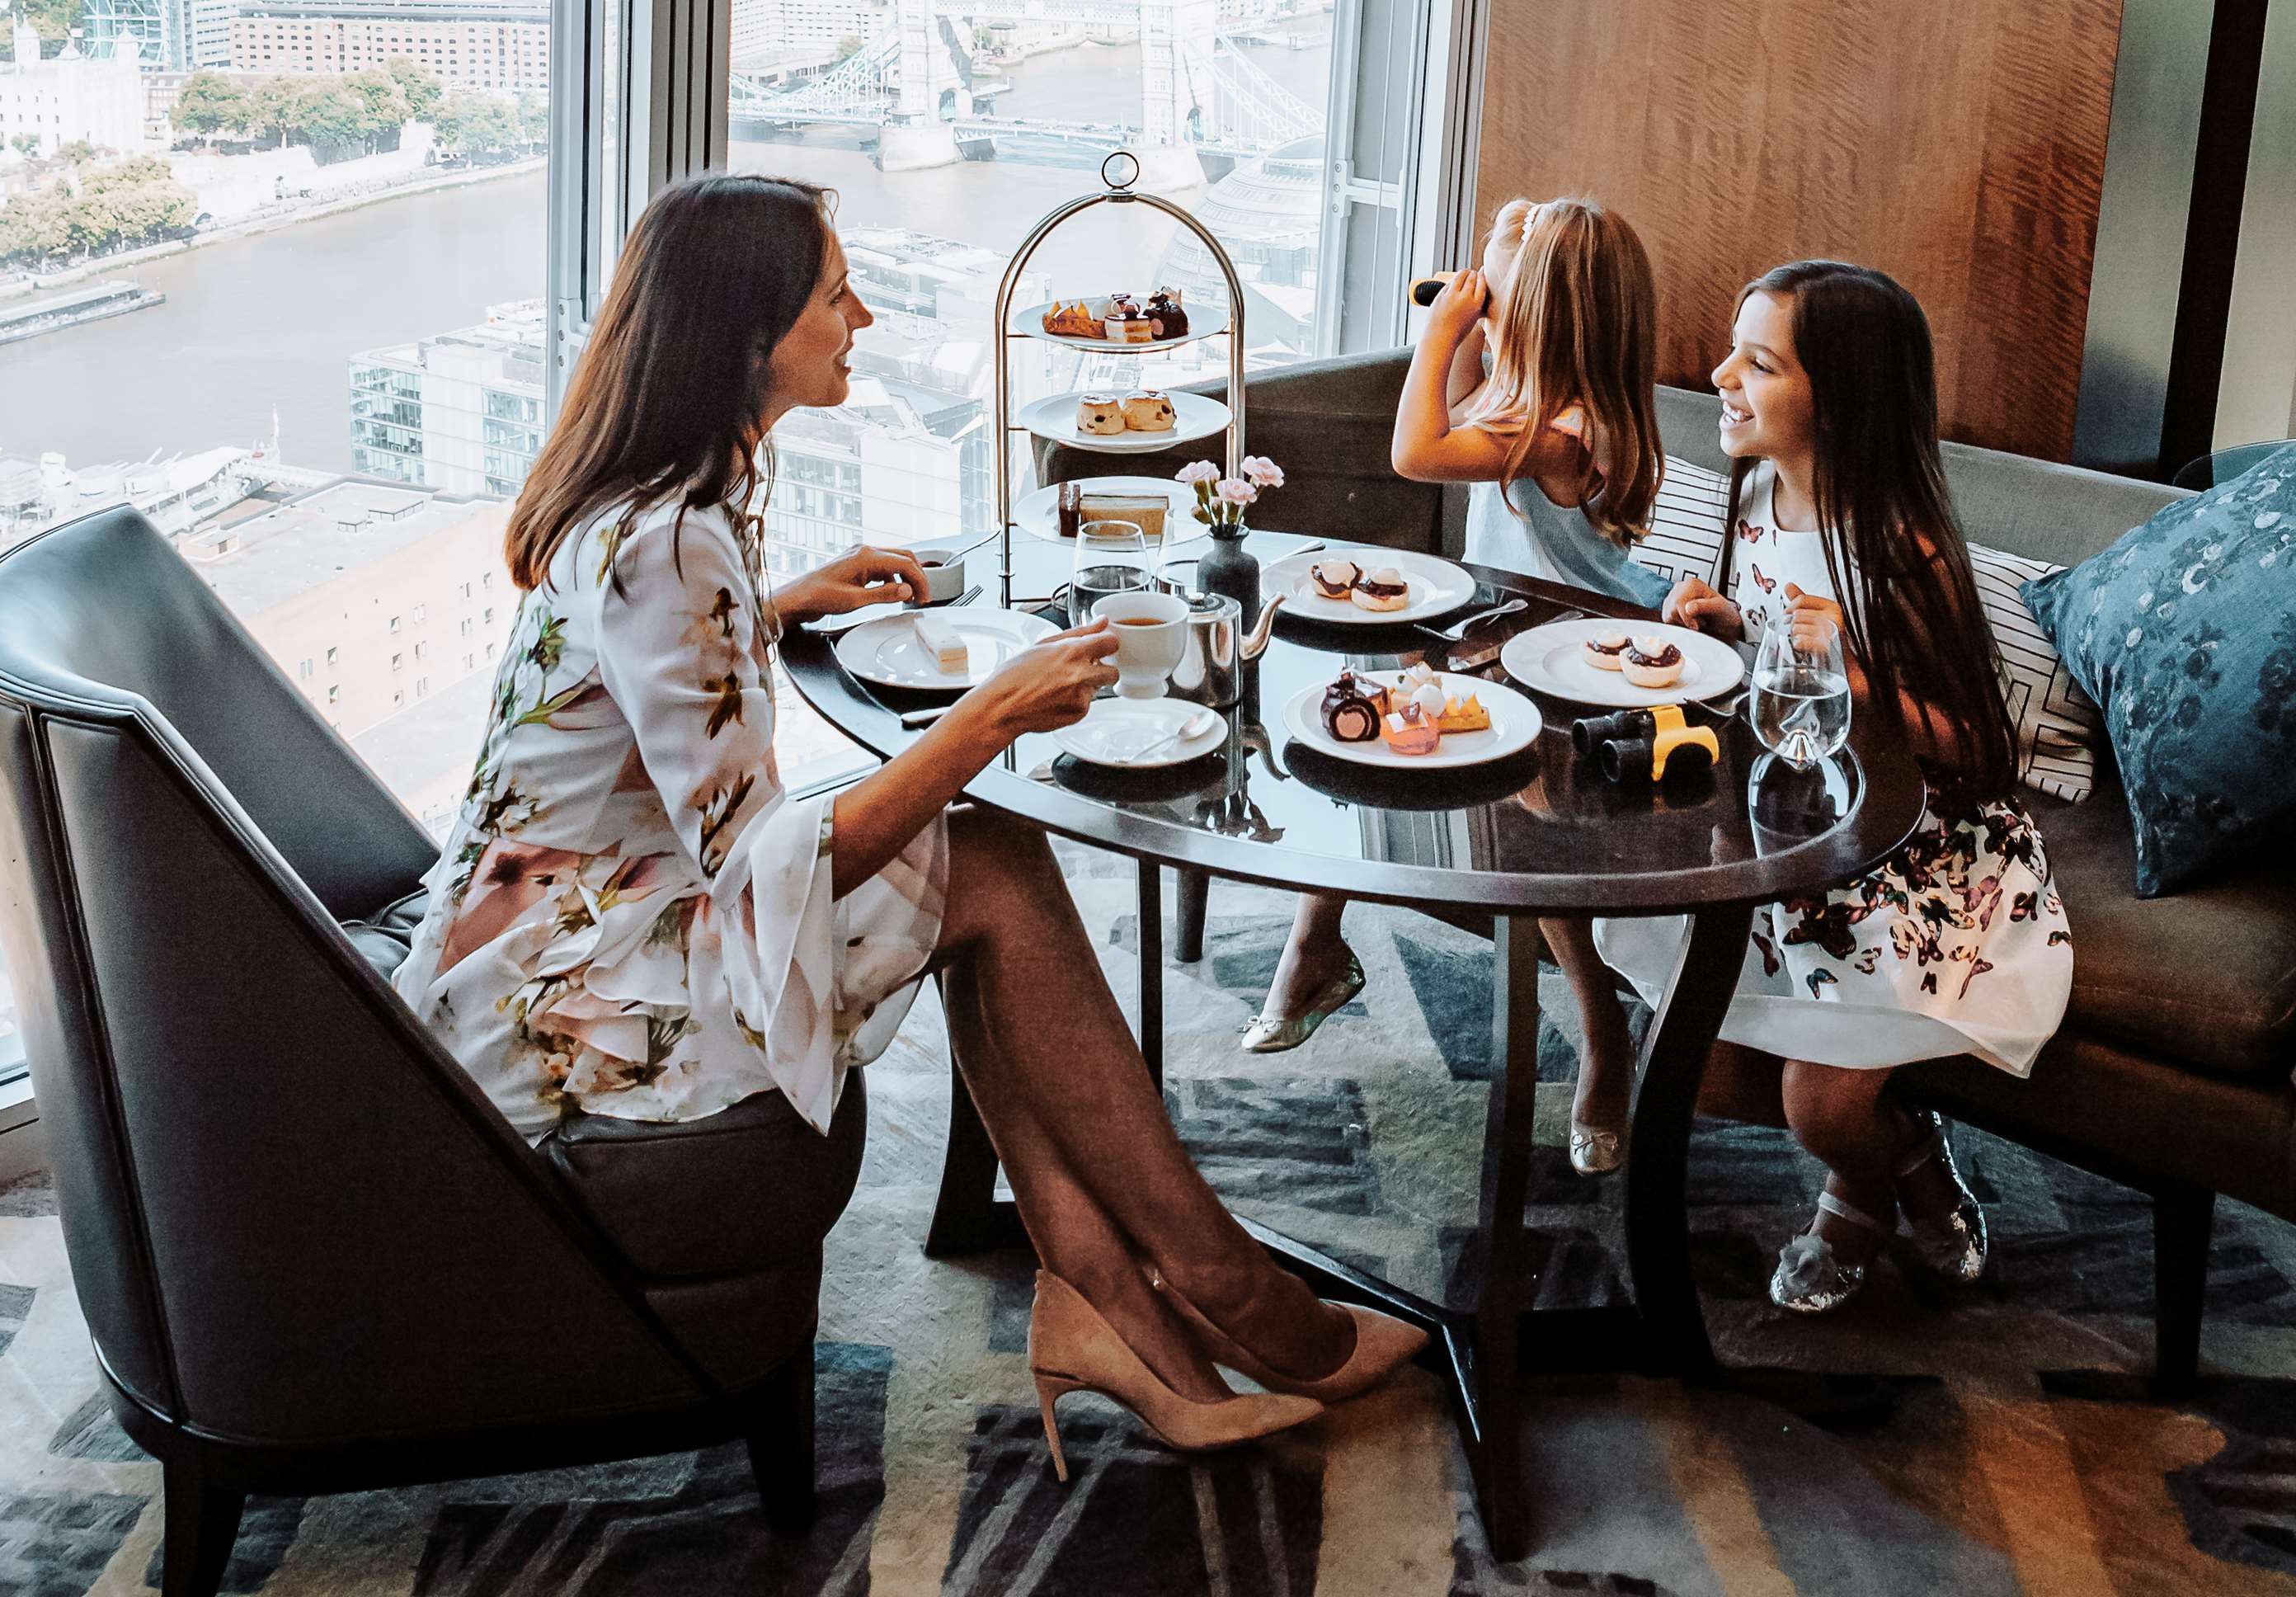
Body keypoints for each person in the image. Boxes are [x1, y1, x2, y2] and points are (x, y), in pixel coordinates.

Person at [387, 173, 1423, 1479]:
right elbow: (758, 872)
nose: (862, 316)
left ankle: (1117, 1296)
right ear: (746, 339)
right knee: (982, 853)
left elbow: (634, 701)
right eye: (835, 296)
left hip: (557, 918)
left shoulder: (651, 505)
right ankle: (1225, 1293)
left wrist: (769, 609)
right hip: (573, 989)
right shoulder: (671, 540)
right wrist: (990, 714)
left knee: (982, 862)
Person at [1595, 260, 2073, 1314]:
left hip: (1910, 844)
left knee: (1820, 1109)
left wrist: (1858, 685)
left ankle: (1864, 1185)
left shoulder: (1898, 546)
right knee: (1702, 1070)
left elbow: (1981, 750)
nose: (1721, 375)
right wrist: (1730, 628)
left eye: (1758, 363)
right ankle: (1901, 1162)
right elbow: (1776, 645)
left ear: (1841, 398)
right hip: (1790, 814)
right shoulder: (1753, 489)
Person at [1244, 197, 1667, 1180]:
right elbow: (1467, 405)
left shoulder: (1560, 432)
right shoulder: (1532, 405)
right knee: (1366, 742)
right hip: (1495, 649)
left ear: (1550, 320)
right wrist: (1477, 321)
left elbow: (1415, 453)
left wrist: (1437, 335)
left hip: (1568, 679)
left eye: (1503, 297)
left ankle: (1603, 1038)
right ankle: (1315, 946)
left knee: (1529, 849)